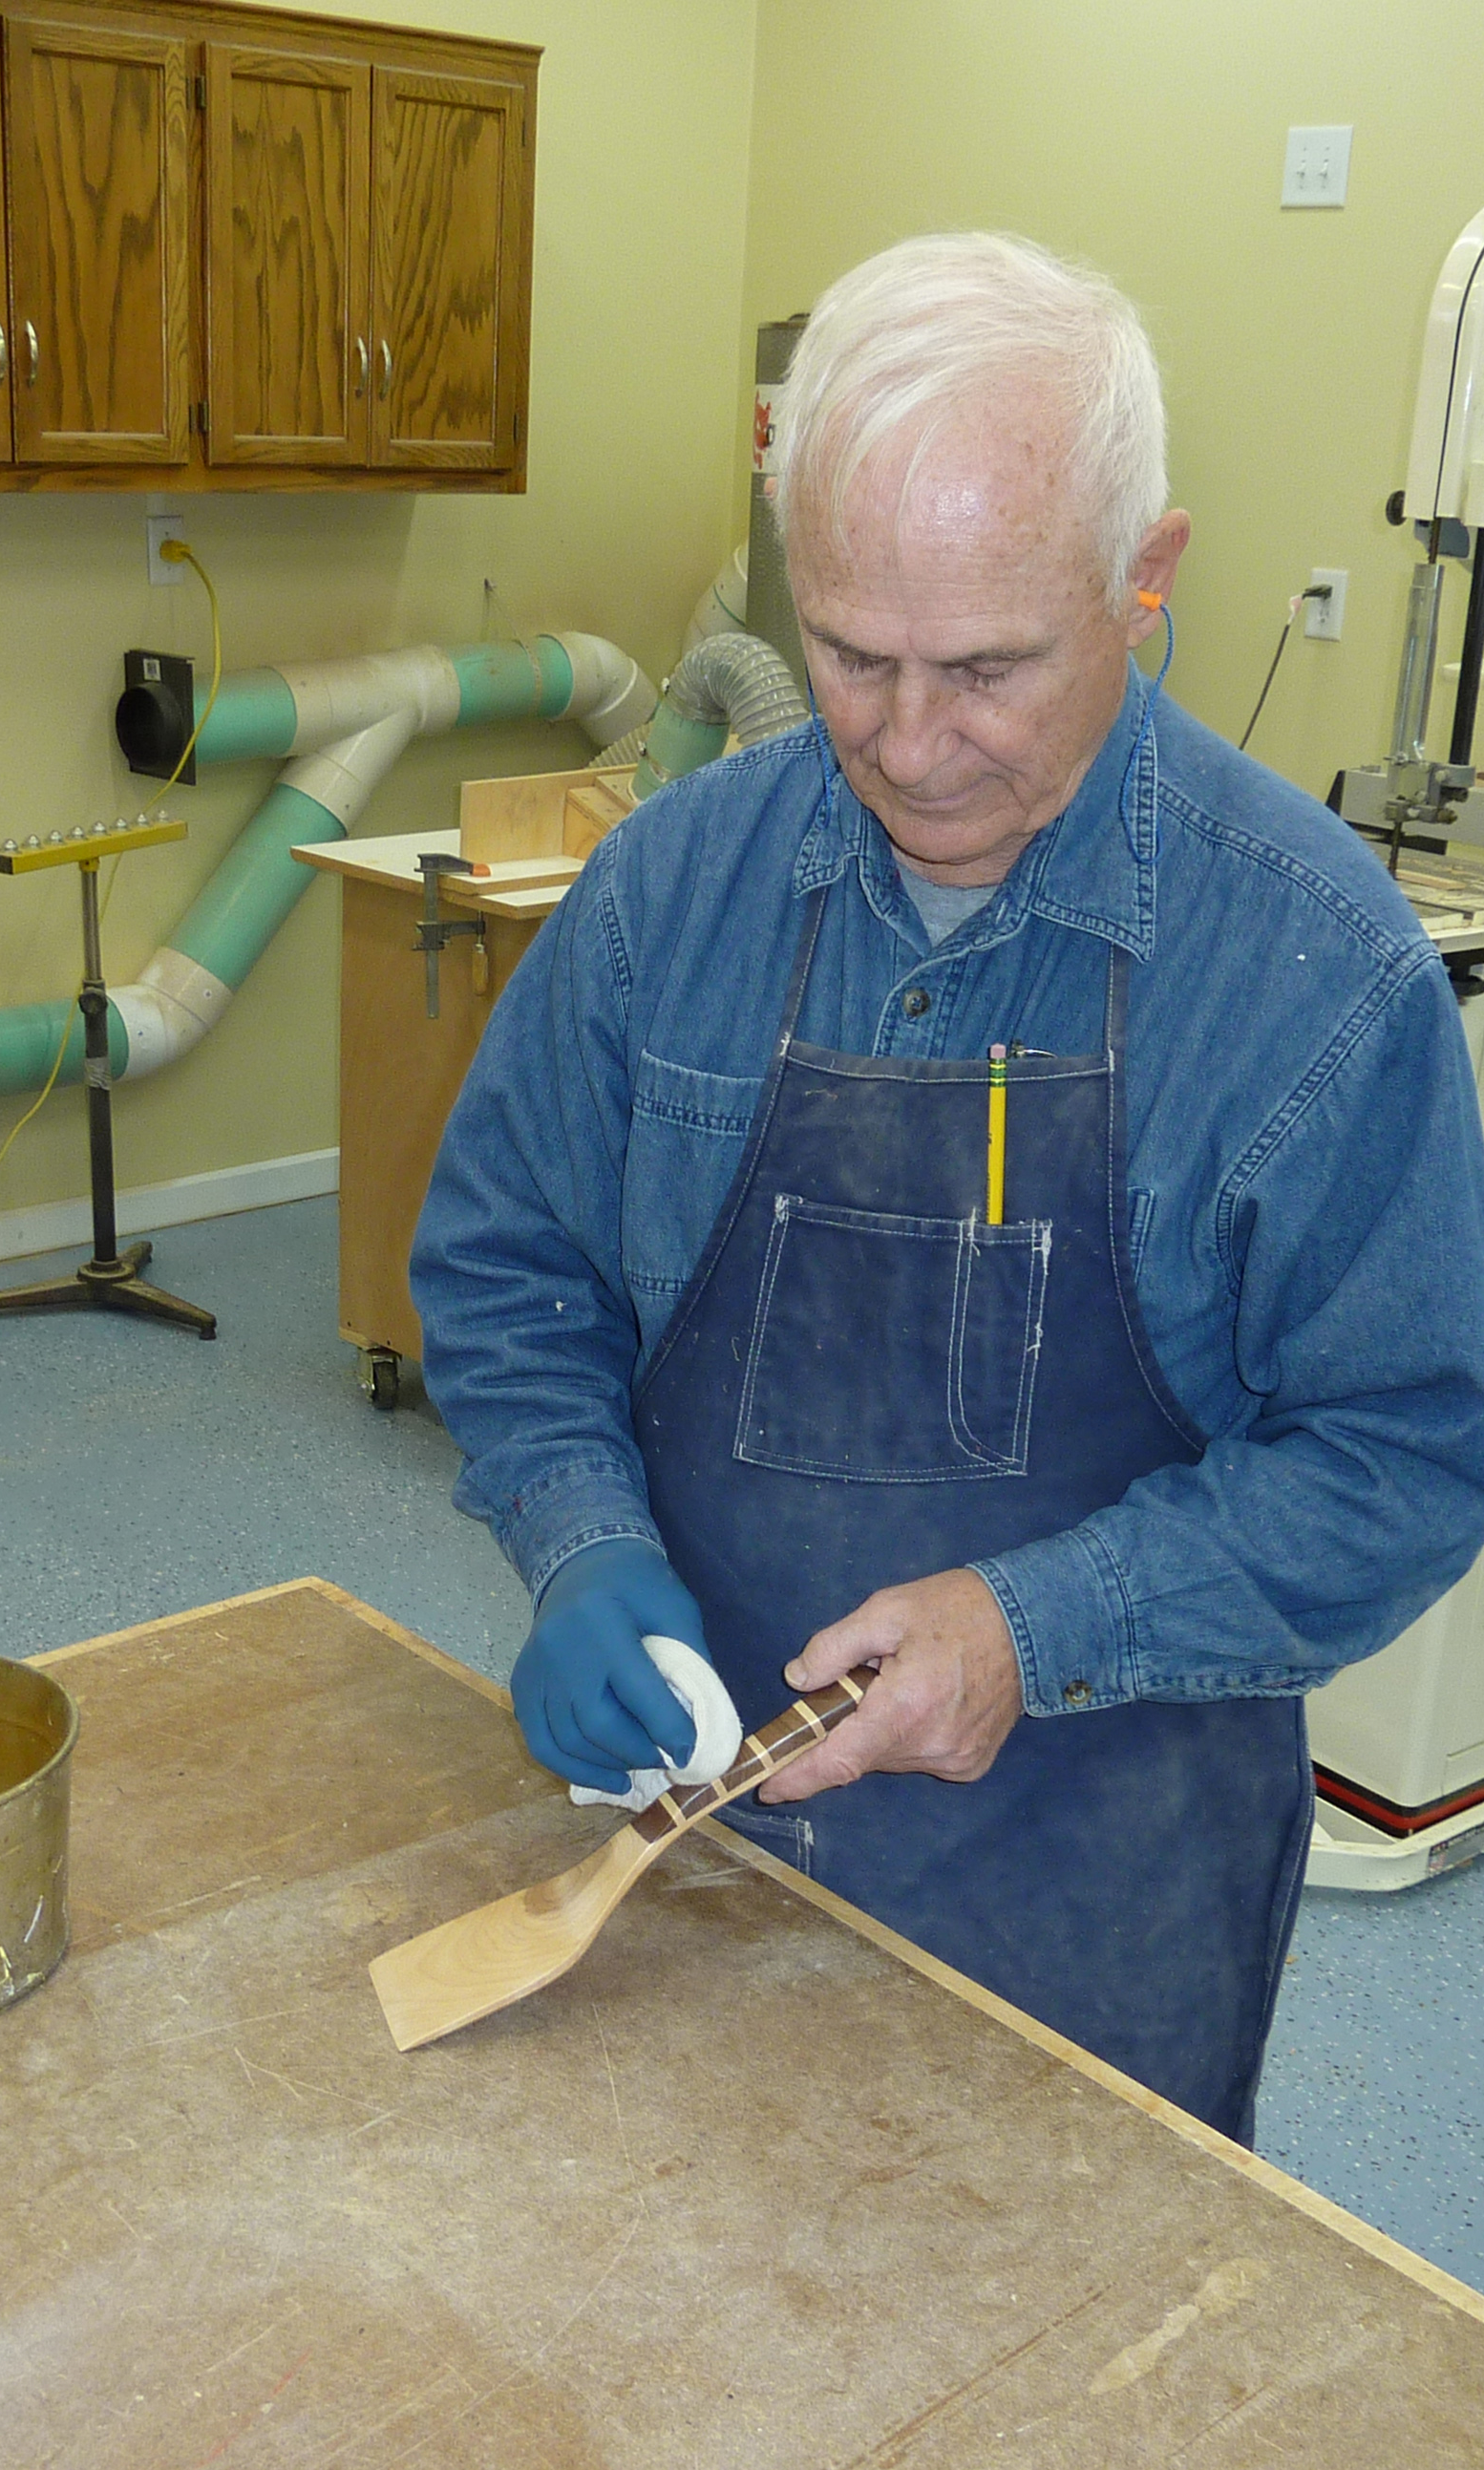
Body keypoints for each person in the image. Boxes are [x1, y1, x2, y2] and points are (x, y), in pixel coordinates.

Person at [411, 232, 1484, 2141]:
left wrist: (1034, 1626)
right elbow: (511, 1263)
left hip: (1091, 1894)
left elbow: (1407, 1450)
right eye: (847, 654)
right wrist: (581, 1542)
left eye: (986, 667)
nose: (907, 746)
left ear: (1142, 583)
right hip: (688, 1838)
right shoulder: (674, 890)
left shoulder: (1317, 976)